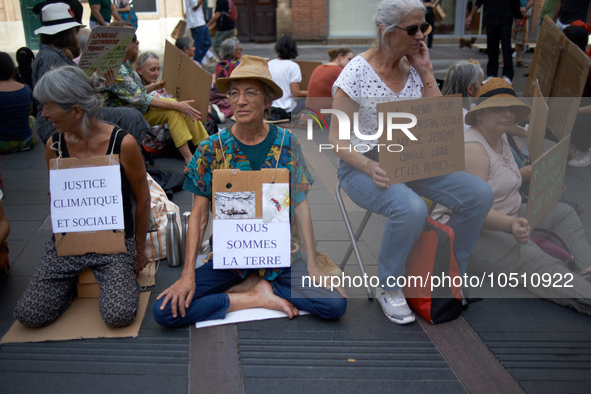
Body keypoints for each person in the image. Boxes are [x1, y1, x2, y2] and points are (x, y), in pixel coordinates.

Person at [152, 55, 347, 327]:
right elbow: (197, 216)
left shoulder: (287, 143)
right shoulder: (211, 148)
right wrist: (187, 275)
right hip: (230, 258)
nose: (240, 101)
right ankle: (254, 296)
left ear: (268, 101)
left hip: (281, 256)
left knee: (334, 304)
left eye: (251, 93)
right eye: (234, 93)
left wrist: (313, 264)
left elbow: (300, 203)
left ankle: (260, 284)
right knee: (164, 310)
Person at [330, 0, 493, 325]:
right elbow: (338, 142)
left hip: (412, 159)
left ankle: (449, 272)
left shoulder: (415, 68)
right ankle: (388, 285)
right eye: (412, 29)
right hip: (362, 165)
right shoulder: (357, 72)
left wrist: (427, 72)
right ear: (386, 33)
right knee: (412, 207)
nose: (421, 36)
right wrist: (368, 166)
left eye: (424, 27)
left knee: (479, 194)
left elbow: (441, 125)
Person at [14, 66, 150, 328]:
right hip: (69, 243)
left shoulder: (123, 144)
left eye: (48, 107)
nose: (43, 115)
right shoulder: (54, 146)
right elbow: (57, 198)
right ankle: (67, 289)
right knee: (29, 315)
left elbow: (142, 201)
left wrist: (139, 250)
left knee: (119, 315)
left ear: (75, 111)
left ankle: (110, 280)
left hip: (114, 245)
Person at [452, 77, 591, 316]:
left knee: (563, 213)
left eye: (511, 108)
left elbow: (497, 177)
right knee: (535, 261)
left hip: (510, 217)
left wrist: (533, 175)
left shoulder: (500, 135)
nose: (507, 114)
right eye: (498, 108)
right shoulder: (473, 149)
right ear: (480, 114)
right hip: (474, 233)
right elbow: (472, 211)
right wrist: (510, 224)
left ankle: (588, 269)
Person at [31, 3, 150, 146]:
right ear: (67, 33)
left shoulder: (58, 54)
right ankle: (124, 161)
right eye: (75, 30)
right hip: (60, 121)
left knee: (130, 116)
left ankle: (123, 160)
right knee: (131, 117)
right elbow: (61, 99)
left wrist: (100, 84)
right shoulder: (51, 58)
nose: (77, 34)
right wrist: (94, 87)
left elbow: (72, 90)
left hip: (75, 114)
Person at [104, 31, 209, 164]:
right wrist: (177, 104)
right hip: (125, 115)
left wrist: (156, 86)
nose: (137, 42)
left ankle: (204, 147)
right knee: (176, 106)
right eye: (133, 39)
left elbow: (137, 92)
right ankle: (195, 154)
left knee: (176, 109)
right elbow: (139, 97)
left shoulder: (127, 65)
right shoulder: (119, 68)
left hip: (137, 110)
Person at [465, 0, 521, 84]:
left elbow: (515, 2)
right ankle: (492, 74)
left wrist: (517, 17)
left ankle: (507, 75)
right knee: (491, 48)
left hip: (505, 19)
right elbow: (478, 2)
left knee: (506, 47)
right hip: (491, 18)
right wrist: (471, 15)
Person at [561, 25, 591, 167]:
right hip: (577, 108)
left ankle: (587, 148)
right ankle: (575, 143)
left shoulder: (588, 67)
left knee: (567, 117)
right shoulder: (571, 63)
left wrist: (575, 111)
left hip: (585, 113)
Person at [135, 52, 174, 155]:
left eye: (158, 69)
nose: (157, 73)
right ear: (140, 70)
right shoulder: (137, 91)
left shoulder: (156, 86)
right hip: (156, 141)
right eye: (152, 70)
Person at [0, 52, 34, 153]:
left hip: (2, 143)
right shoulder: (26, 88)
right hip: (26, 140)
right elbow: (30, 111)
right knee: (31, 119)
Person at [268, 36, 307, 120]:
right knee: (308, 102)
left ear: (277, 49)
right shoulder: (293, 66)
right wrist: (310, 92)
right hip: (287, 109)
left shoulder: (269, 64)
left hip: (270, 108)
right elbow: (296, 93)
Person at [305, 47, 354, 114]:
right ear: (340, 56)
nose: (351, 63)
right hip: (326, 113)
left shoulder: (319, 67)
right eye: (349, 59)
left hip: (310, 109)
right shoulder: (338, 70)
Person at [441, 60, 484, 129]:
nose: (482, 87)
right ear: (470, 89)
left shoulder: (441, 109)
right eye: (480, 84)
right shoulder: (467, 121)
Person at [209, 37, 243, 119]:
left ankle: (217, 108)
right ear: (231, 51)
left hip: (216, 93)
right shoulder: (237, 64)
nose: (241, 51)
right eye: (238, 49)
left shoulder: (219, 62)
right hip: (227, 94)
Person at [185, 0, 212, 64]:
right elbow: (195, 6)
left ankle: (198, 61)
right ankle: (197, 63)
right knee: (198, 47)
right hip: (196, 23)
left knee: (208, 43)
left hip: (200, 21)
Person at [513, 0, 534, 68]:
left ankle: (519, 59)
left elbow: (531, 0)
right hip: (511, 13)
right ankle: (502, 59)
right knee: (504, 37)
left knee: (521, 39)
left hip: (523, 14)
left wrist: (526, 8)